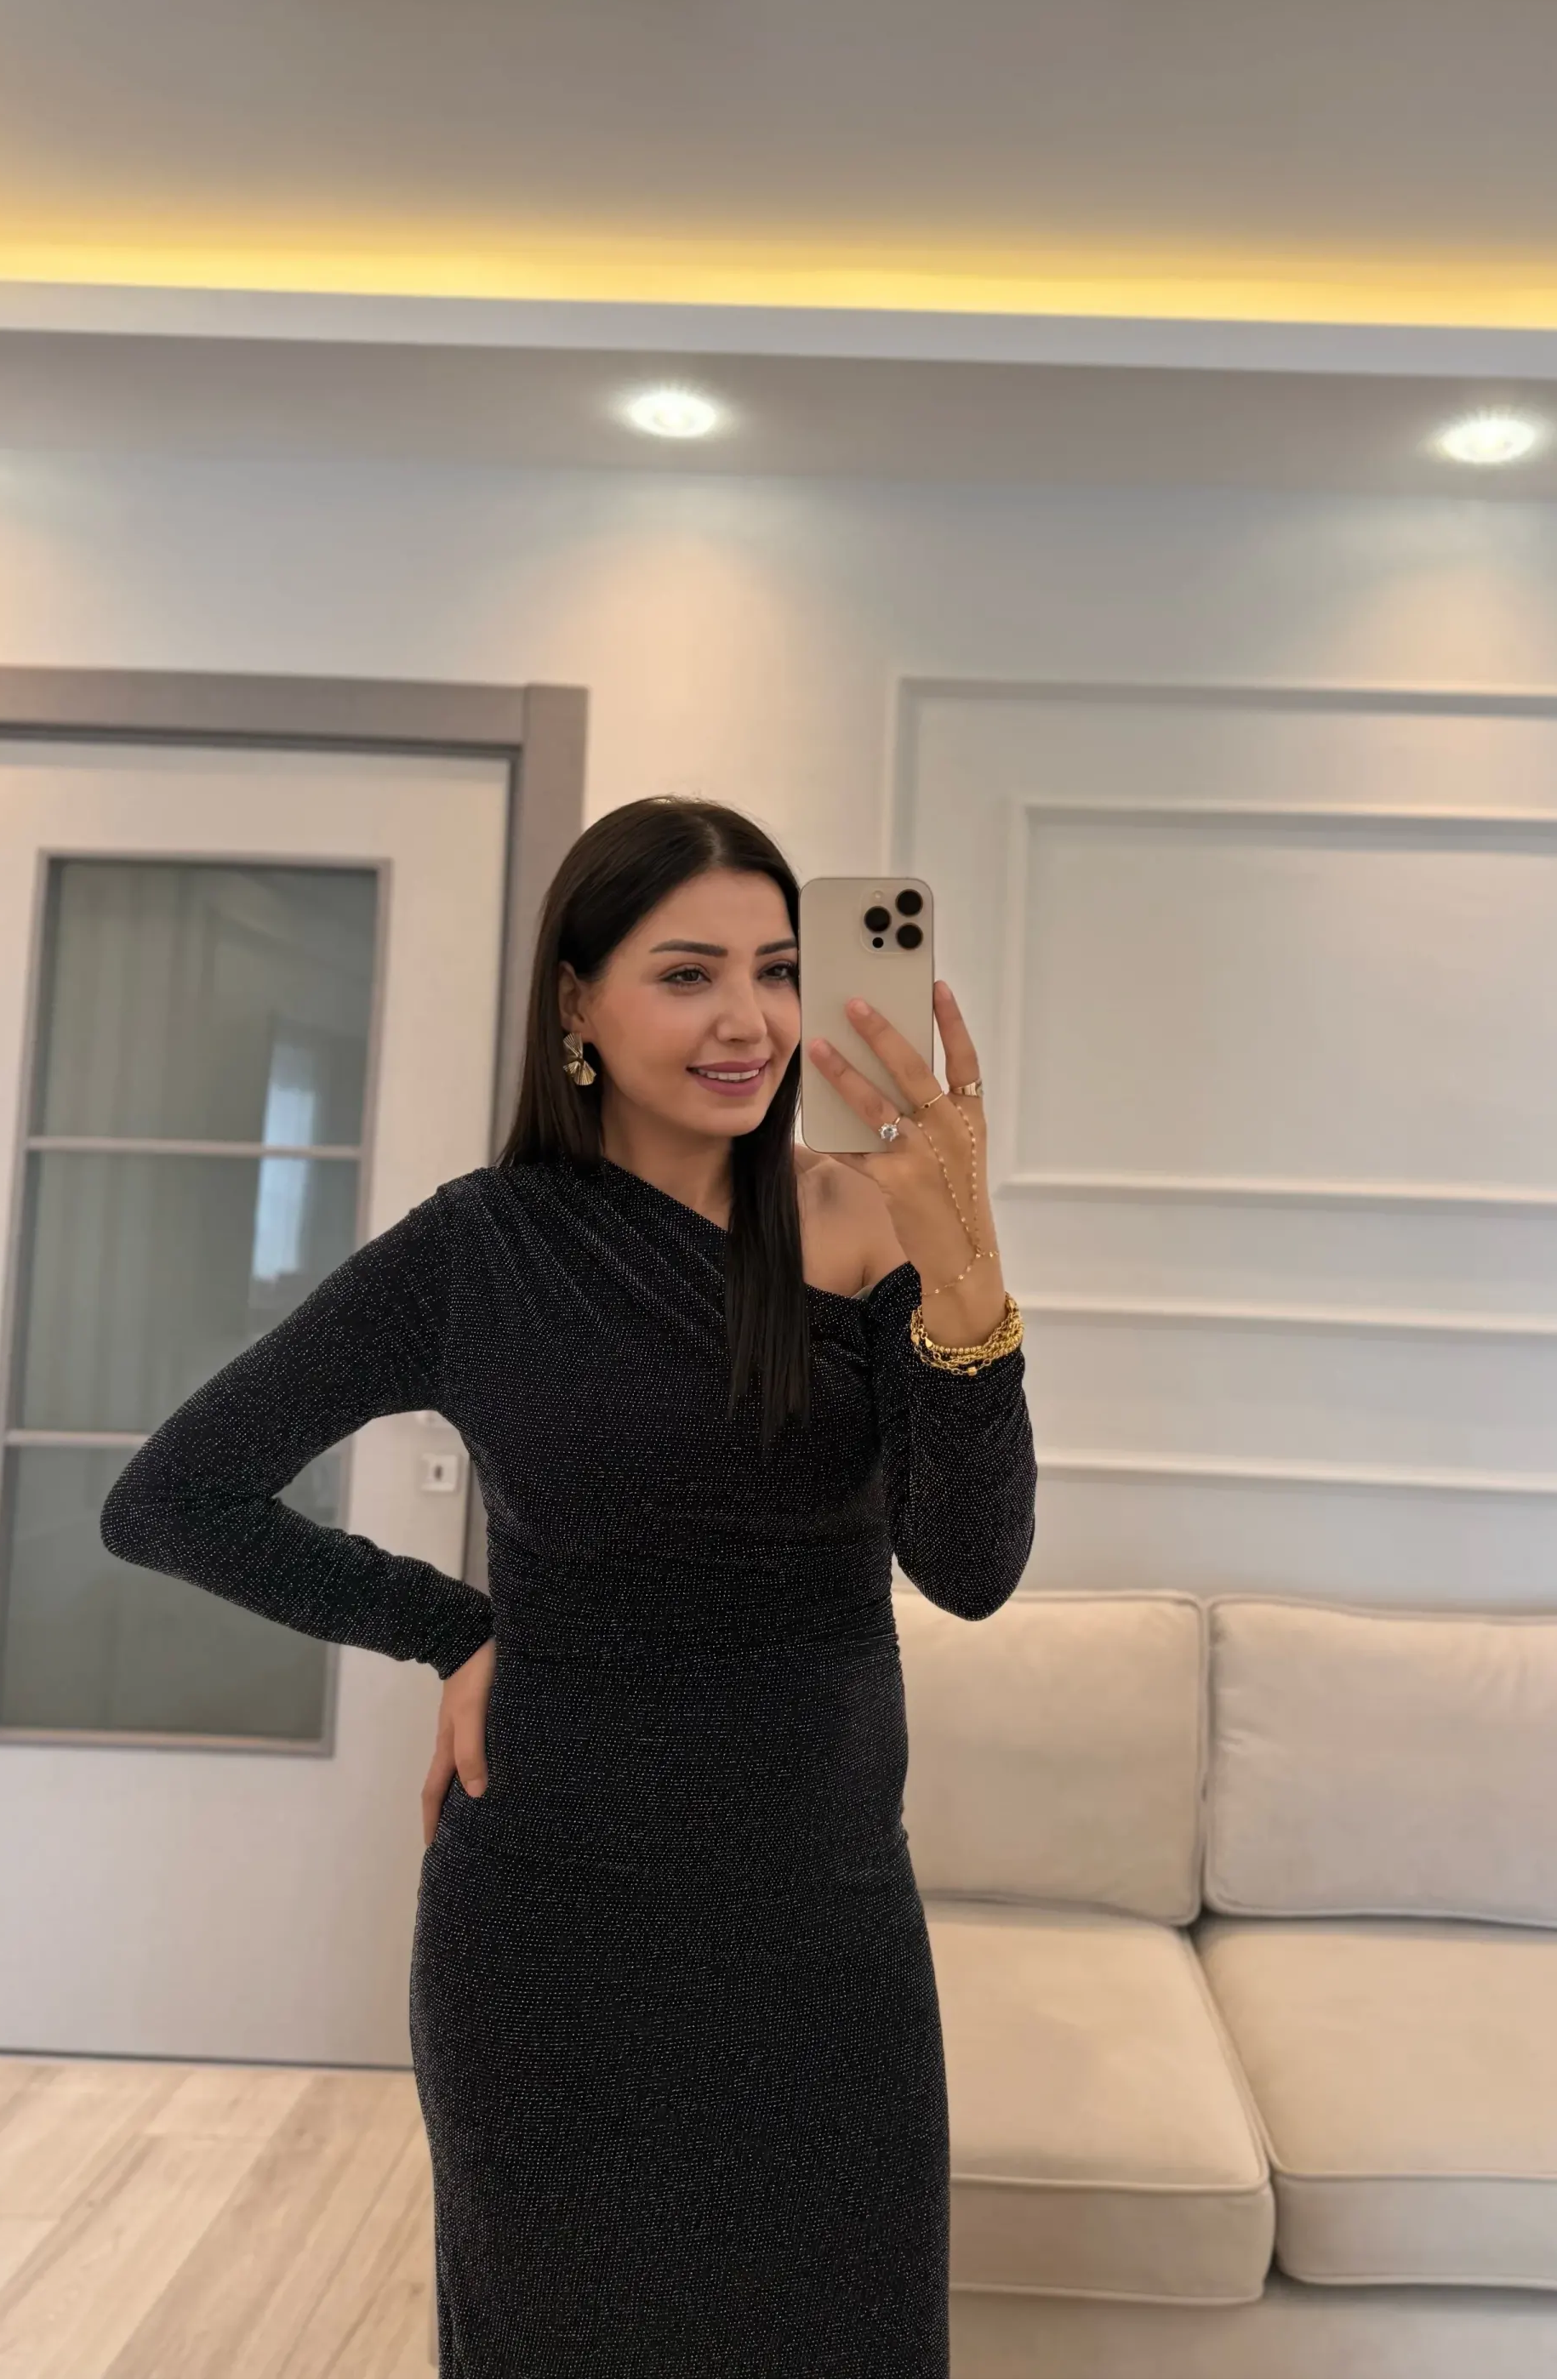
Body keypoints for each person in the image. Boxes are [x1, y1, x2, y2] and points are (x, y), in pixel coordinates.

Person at [100, 793, 1037, 2379]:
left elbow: (969, 1570)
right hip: (553, 1936)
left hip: (824, 1931)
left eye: (779, 969)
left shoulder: (864, 1221)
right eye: (686, 974)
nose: (749, 1020)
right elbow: (173, 1497)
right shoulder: (482, 1249)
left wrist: (965, 1269)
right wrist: (455, 1627)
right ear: (576, 1005)